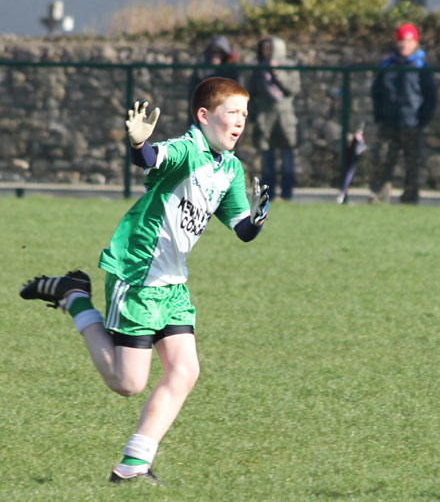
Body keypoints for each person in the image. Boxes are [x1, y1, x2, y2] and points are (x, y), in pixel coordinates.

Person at [19, 77, 269, 485]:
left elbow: (241, 228)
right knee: (127, 382)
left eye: (245, 113)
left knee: (185, 371)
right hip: (138, 272)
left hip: (171, 282)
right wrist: (139, 145)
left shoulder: (230, 167)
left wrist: (257, 220)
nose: (241, 121)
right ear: (204, 116)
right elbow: (152, 159)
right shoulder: (188, 149)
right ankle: (74, 297)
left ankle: (134, 463)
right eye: (232, 113)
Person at [369, 23, 437, 204]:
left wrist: (423, 119)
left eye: (407, 41)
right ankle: (379, 197)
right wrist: (379, 115)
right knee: (383, 161)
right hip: (388, 122)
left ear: (415, 43)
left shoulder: (421, 66)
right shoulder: (388, 64)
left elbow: (430, 95)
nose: (403, 45)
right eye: (400, 41)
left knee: (412, 164)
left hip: (412, 123)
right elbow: (377, 92)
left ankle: (410, 198)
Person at [248, 36, 301, 200]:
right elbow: (252, 93)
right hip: (265, 118)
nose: (267, 52)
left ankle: (287, 195)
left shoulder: (289, 67)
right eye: (264, 48)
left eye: (270, 48)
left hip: (285, 118)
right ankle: (268, 196)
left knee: (287, 158)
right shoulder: (258, 70)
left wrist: (277, 73)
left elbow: (292, 89)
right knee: (267, 160)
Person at [187, 36, 240, 124]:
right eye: (214, 52)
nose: (216, 55)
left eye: (220, 52)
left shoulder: (231, 70)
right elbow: (193, 93)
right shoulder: (201, 69)